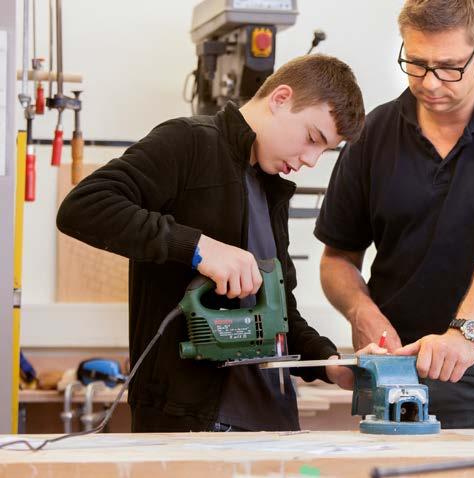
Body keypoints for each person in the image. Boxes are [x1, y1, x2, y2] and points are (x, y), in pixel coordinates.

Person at [56, 54, 379, 433]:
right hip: (188, 425)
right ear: (281, 98)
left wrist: (329, 363)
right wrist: (198, 247)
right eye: (312, 138)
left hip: (271, 426)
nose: (310, 159)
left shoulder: (271, 189)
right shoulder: (187, 143)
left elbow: (279, 316)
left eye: (323, 151)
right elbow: (83, 207)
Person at [315, 0, 474, 436]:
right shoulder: (374, 133)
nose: (429, 82)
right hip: (396, 374)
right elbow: (337, 258)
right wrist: (361, 311)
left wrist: (464, 334)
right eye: (415, 64)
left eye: (449, 67)